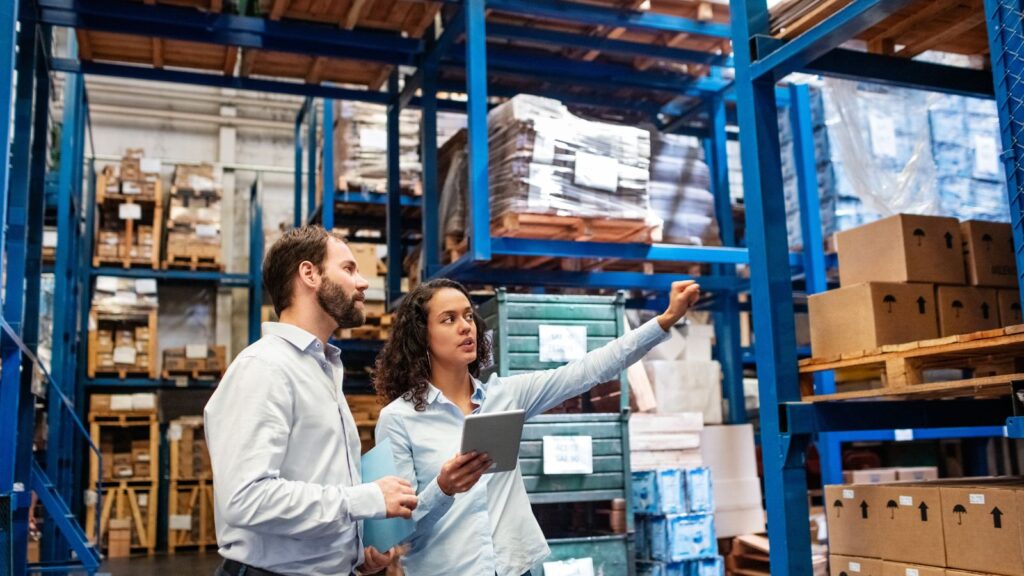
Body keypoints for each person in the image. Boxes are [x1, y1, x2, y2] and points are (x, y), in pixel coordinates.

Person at [373, 278, 701, 575]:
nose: (465, 327)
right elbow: (397, 532)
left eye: (468, 316)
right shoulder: (398, 419)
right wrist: (443, 489)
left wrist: (665, 319)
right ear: (421, 336)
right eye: (449, 319)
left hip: (516, 568)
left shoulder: (505, 396)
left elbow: (588, 370)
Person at [205, 226, 418, 576]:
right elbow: (246, 499)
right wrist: (367, 498)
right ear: (310, 274)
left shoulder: (321, 367)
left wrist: (352, 552)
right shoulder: (264, 367)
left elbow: (318, 481)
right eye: (348, 269)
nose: (363, 282)